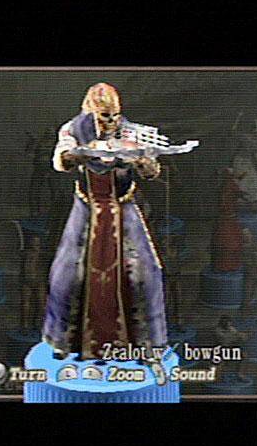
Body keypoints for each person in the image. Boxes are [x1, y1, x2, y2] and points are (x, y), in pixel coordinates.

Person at [42, 82, 166, 361]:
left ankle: (147, 347)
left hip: (123, 209)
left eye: (114, 116)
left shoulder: (132, 132)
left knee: (144, 275)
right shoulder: (74, 129)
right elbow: (61, 161)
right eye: (103, 117)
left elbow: (152, 171)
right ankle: (64, 342)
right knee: (68, 275)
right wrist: (80, 152)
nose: (110, 123)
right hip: (87, 211)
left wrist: (141, 161)